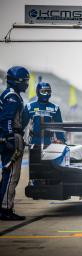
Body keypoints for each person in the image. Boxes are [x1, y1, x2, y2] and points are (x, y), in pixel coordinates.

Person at [0, 66, 30, 220]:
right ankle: (5, 209)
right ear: (17, 81)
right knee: (12, 175)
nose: (26, 84)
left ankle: (4, 207)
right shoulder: (12, 97)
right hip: (11, 137)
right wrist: (11, 137)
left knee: (7, 174)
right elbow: (7, 119)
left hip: (8, 136)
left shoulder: (9, 94)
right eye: (25, 81)